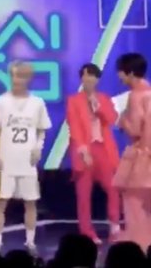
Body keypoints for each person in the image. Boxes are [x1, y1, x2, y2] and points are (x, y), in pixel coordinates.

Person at [0, 61, 51, 253]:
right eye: (14, 75)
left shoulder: (37, 103)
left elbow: (42, 129)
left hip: (27, 162)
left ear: (28, 78)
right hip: (6, 161)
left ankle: (30, 242)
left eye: (20, 76)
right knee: (1, 202)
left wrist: (38, 148)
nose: (16, 80)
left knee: (30, 202)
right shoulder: (1, 101)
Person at [66, 63, 120, 244]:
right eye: (84, 75)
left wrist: (98, 106)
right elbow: (74, 127)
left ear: (97, 79)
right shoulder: (73, 101)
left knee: (113, 188)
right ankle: (87, 232)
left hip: (103, 149)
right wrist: (83, 151)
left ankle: (115, 226)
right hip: (84, 151)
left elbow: (112, 119)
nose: (88, 79)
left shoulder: (104, 98)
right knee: (84, 195)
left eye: (91, 75)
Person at [113, 53, 151, 251]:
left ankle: (138, 248)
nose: (119, 76)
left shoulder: (136, 96)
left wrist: (121, 120)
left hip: (141, 158)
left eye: (120, 72)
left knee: (134, 204)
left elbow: (135, 130)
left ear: (130, 73)